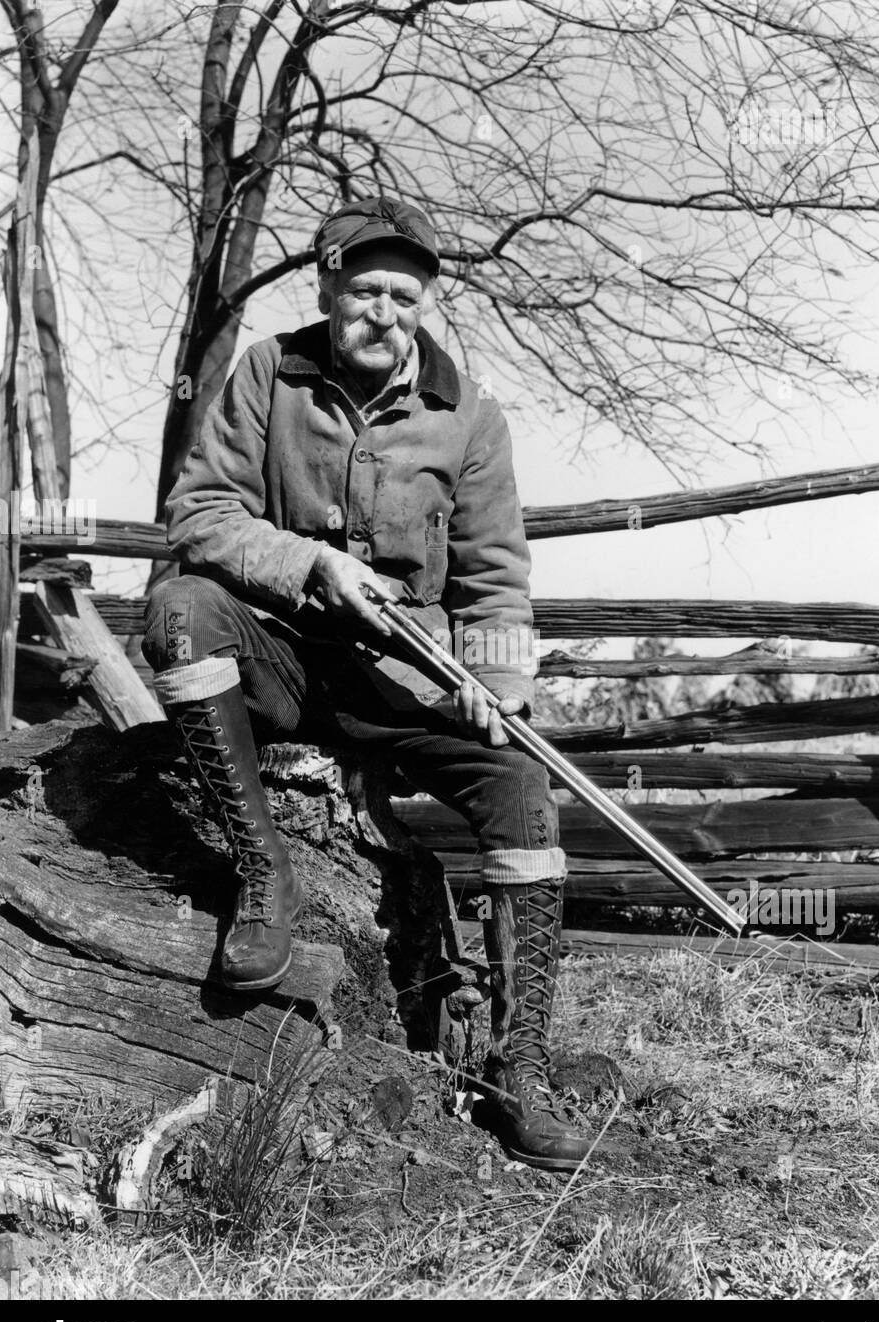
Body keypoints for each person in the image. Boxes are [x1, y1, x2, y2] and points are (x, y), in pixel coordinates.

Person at [143, 196, 590, 1170]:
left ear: (424, 303)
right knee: (180, 614)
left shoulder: (469, 416)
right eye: (365, 289)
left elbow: (494, 580)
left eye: (404, 294)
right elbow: (197, 513)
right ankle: (267, 875)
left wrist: (500, 681)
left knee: (521, 788)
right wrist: (310, 566)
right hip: (286, 659)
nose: (383, 311)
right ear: (328, 284)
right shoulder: (270, 371)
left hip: (405, 683)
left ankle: (517, 1066)